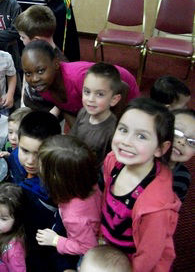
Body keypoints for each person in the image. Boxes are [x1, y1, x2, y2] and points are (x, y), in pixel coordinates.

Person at [100, 97, 181, 271]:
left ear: (160, 148)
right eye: (123, 130)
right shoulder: (113, 161)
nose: (127, 141)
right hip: (108, 247)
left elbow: (148, 255)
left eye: (141, 136)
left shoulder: (156, 207)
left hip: (131, 263)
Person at [11, 111, 78, 271]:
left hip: (46, 244)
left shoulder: (60, 183)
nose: (30, 161)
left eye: (39, 154)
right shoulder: (14, 159)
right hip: (20, 236)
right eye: (25, 151)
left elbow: (66, 230)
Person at [21, 40, 139, 126]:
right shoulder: (41, 85)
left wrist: (111, 128)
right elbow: (65, 107)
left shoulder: (78, 78)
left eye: (40, 70)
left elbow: (123, 87)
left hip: (122, 92)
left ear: (56, 63)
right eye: (28, 73)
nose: (34, 79)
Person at [36, 135, 102, 257]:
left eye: (42, 166)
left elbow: (88, 248)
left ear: (56, 179)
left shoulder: (73, 217)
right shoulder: (85, 179)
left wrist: (56, 240)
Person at [69, 62, 124, 185]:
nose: (90, 99)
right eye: (87, 92)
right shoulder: (83, 112)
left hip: (90, 179)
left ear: (114, 99)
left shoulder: (113, 130)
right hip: (73, 166)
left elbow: (108, 165)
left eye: (99, 94)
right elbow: (71, 139)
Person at [14, 5, 67, 112]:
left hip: (45, 115)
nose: (21, 39)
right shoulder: (29, 53)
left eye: (23, 37)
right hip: (29, 107)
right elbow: (26, 73)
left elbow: (63, 98)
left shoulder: (60, 64)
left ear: (36, 40)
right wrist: (23, 104)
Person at [169, 109, 194, 202]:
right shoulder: (138, 158)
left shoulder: (182, 177)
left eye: (192, 142)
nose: (182, 142)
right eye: (177, 132)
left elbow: (173, 209)